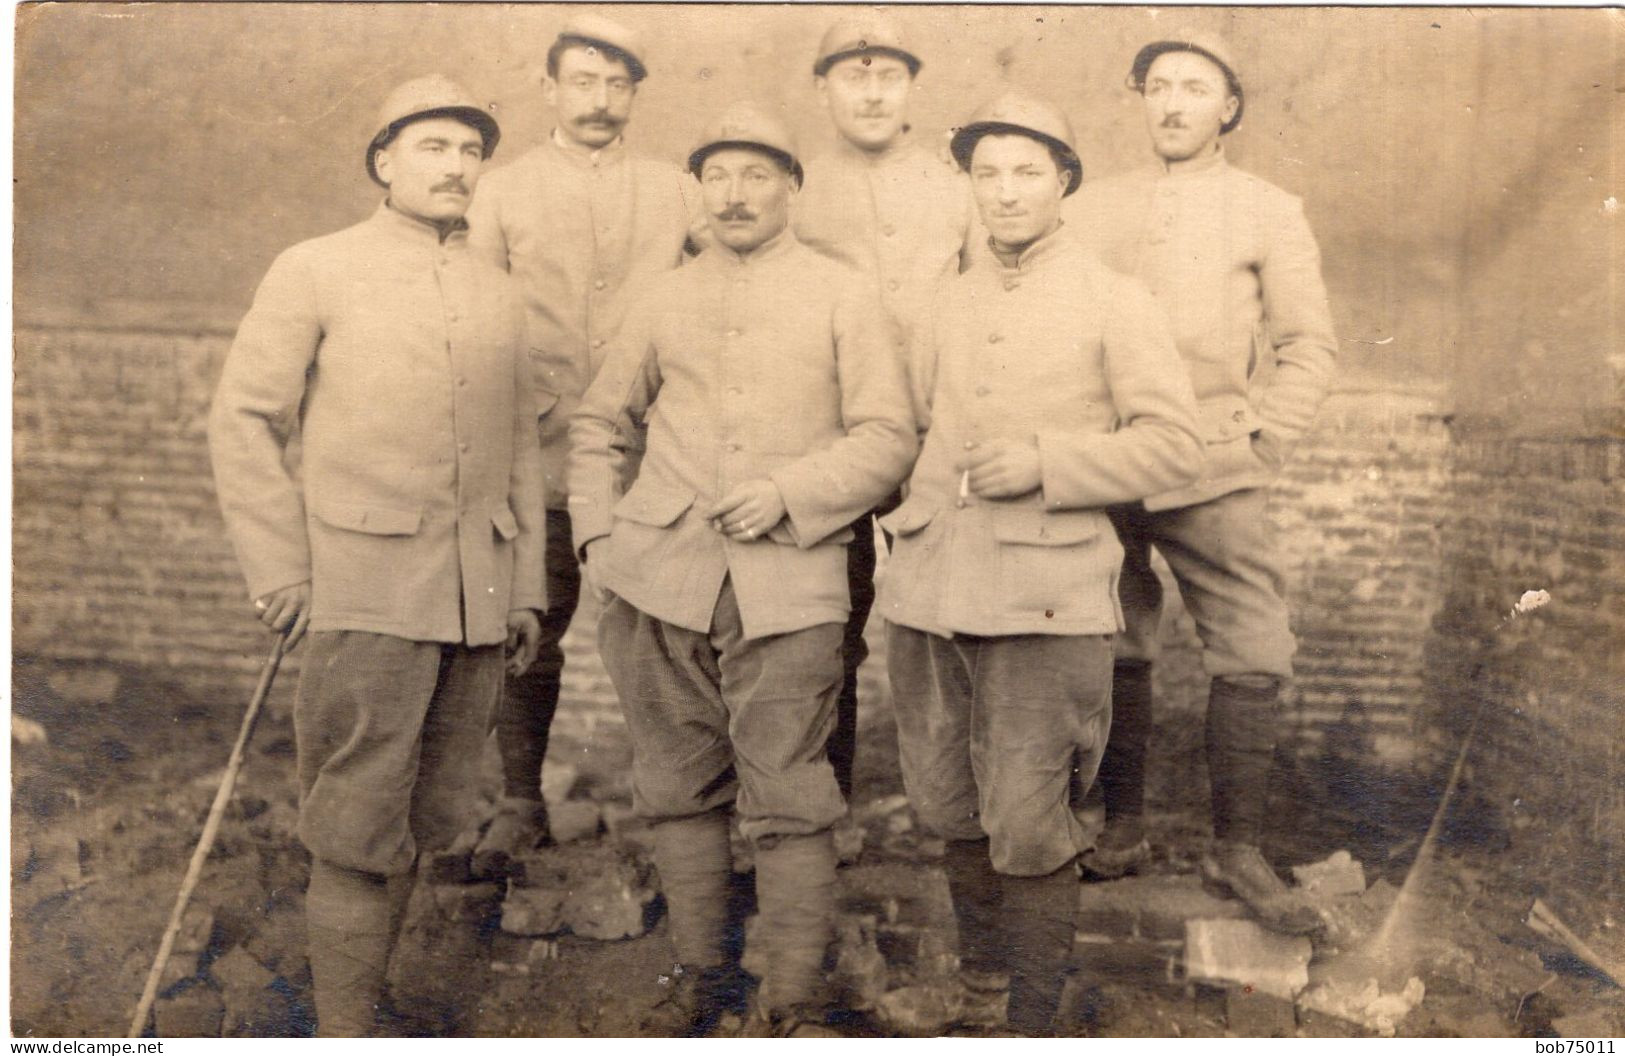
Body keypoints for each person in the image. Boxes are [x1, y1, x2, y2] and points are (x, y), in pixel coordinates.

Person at [567, 102, 917, 1036]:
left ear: (793, 190)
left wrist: (792, 492)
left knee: (789, 786)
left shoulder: (844, 294)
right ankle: (700, 977)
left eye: (757, 174)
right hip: (656, 577)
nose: (734, 194)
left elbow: (889, 437)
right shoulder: (663, 294)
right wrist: (598, 536)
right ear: (695, 191)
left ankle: (792, 997)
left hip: (789, 582)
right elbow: (599, 424)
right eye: (716, 176)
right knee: (676, 779)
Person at [208, 76, 546, 1036]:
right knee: (357, 824)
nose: (455, 166)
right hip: (363, 591)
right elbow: (243, 418)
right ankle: (343, 1027)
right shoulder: (316, 268)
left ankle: (366, 1006)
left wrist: (520, 590)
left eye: (470, 151)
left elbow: (519, 446)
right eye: (432, 146)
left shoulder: (496, 290)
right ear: (384, 161)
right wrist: (281, 569)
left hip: (475, 600)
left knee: (429, 818)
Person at [877, 89, 1202, 1036]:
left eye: (1027, 171)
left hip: (1046, 598)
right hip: (932, 592)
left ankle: (1030, 1020)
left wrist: (1052, 463)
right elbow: (902, 430)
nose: (1006, 191)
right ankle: (981, 999)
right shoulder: (939, 299)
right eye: (986, 173)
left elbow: (1176, 446)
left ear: (1064, 181)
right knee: (950, 809)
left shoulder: (1114, 299)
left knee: (1027, 822)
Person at [1068, 34, 1338, 934]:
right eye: (1157, 87)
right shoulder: (1092, 206)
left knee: (1252, 646)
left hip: (1215, 462)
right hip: (1108, 463)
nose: (1173, 103)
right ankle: (1121, 825)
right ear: (1141, 100)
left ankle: (1238, 847)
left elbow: (1307, 346)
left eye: (1195, 88)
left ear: (1228, 106)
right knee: (1111, 635)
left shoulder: (1266, 209)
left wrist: (1262, 434)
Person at [464, 14, 694, 869]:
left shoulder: (677, 190)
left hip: (652, 459)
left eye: (617, 84)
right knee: (529, 625)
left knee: (669, 635)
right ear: (548, 87)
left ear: (635, 92)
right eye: (584, 82)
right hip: (541, 456)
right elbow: (475, 318)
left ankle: (681, 807)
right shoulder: (501, 191)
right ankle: (521, 799)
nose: (600, 102)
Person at [792, 13, 977, 801]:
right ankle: (820, 800)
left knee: (947, 620)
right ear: (823, 86)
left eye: (888, 76)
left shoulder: (956, 185)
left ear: (911, 86)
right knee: (823, 625)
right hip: (830, 435)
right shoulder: (794, 185)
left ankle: (952, 804)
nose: (871, 93)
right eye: (852, 75)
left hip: (936, 435)